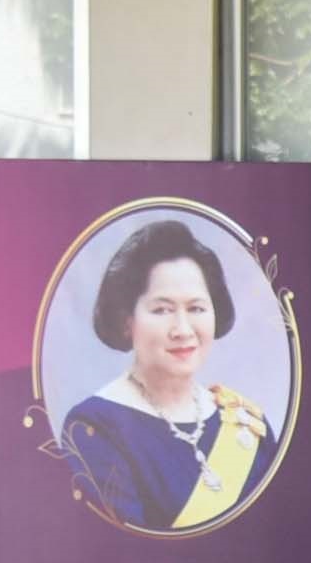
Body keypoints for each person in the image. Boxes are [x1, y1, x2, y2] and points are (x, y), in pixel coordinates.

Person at [59, 217, 272, 535]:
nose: (183, 330)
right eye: (162, 310)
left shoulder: (245, 423)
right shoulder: (94, 428)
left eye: (196, 308)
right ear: (127, 320)